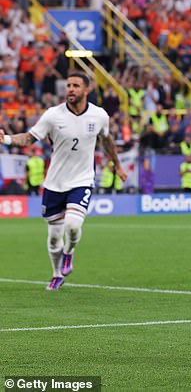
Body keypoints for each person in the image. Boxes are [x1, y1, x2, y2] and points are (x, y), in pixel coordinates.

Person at [0, 71, 127, 290]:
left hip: (82, 180)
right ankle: (57, 274)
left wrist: (118, 165)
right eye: (68, 85)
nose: (70, 89)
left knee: (73, 225)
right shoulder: (52, 115)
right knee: (53, 239)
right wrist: (8, 139)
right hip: (54, 183)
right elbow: (29, 138)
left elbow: (107, 142)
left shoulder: (99, 116)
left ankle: (69, 253)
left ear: (86, 90)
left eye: (76, 85)